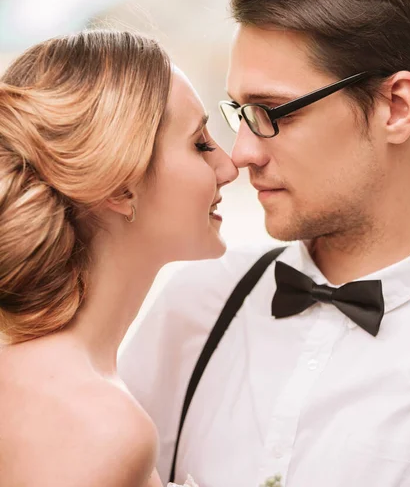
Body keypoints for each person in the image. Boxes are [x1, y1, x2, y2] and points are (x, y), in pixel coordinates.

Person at [118, 0, 410, 487]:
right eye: (239, 114)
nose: (241, 153)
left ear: (396, 107)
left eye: (273, 113)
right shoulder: (196, 302)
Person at [0, 29, 237, 486]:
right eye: (200, 144)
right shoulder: (98, 426)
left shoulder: (43, 385)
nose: (228, 167)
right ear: (120, 186)